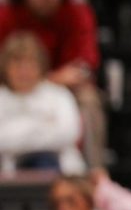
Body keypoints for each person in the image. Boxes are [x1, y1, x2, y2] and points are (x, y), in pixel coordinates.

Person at [0, 0, 105, 167]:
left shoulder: (77, 13)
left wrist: (44, 83)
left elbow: (85, 64)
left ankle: (94, 173)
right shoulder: (5, 15)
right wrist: (32, 79)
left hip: (63, 87)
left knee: (89, 100)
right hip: (8, 85)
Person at [0, 31, 84, 174]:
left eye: (30, 63)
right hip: (8, 177)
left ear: (41, 65)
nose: (24, 71)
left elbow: (68, 133)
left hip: (59, 174)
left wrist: (16, 133)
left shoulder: (59, 95)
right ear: (5, 66)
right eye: (17, 63)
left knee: (44, 160)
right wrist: (41, 128)